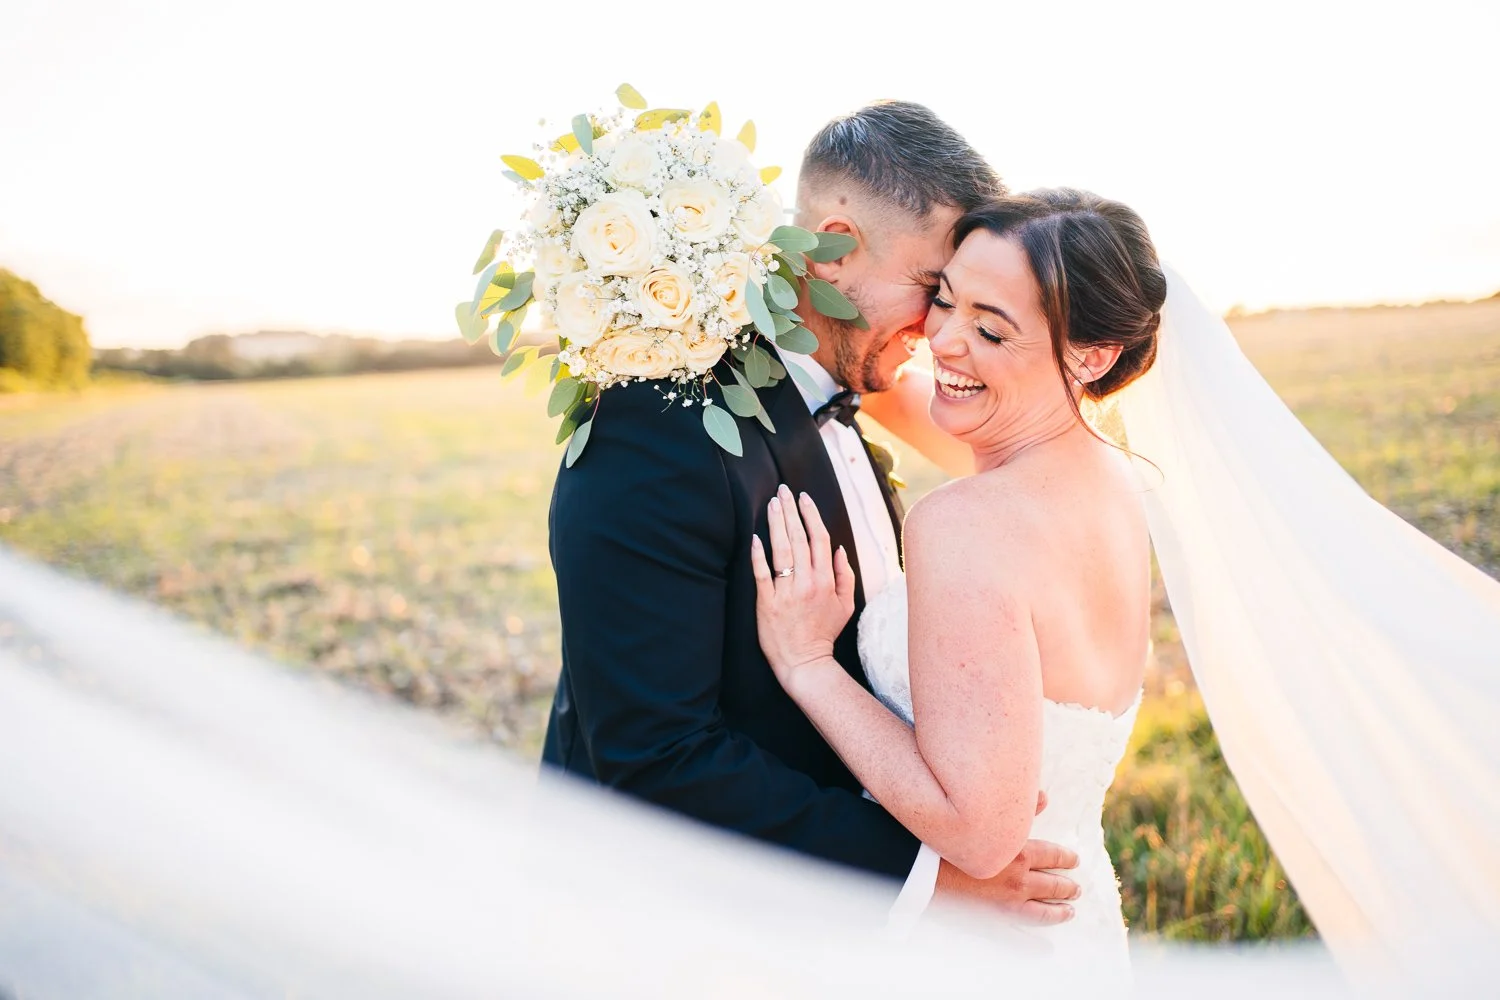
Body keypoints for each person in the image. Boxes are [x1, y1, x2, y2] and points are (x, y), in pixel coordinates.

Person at [540, 102, 1084, 923]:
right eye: (934, 290)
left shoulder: (842, 410)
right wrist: (928, 880)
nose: (941, 333)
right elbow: (656, 759)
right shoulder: (654, 434)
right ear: (832, 251)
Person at [752, 189, 1166, 968]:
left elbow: (979, 835)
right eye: (942, 300)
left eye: (989, 327)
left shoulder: (968, 523)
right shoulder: (1105, 475)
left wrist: (810, 669)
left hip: (971, 949)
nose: (942, 341)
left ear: (1092, 354)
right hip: (1069, 936)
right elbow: (879, 384)